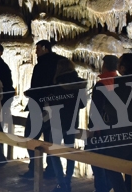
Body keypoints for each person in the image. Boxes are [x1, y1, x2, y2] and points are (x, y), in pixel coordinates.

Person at [90, 53, 132, 192]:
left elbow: (113, 110)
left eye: (119, 66)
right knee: (131, 166)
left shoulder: (119, 83)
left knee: (110, 163)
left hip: (121, 134)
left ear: (123, 68)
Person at [20, 40, 65, 179]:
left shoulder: (42, 65)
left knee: (30, 138)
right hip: (55, 108)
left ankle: (34, 169)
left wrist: (31, 93)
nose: (36, 52)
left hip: (39, 107)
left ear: (45, 48)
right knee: (50, 141)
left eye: (38, 49)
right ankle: (52, 170)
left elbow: (39, 87)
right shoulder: (60, 62)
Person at [47, 58, 86, 192]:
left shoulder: (57, 84)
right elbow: (83, 104)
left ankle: (60, 182)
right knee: (70, 151)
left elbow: (53, 103)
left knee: (54, 152)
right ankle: (68, 180)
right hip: (72, 122)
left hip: (58, 122)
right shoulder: (80, 84)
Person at [87, 55, 119, 192]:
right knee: (112, 164)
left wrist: (92, 128)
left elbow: (96, 109)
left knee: (98, 163)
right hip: (117, 130)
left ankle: (101, 188)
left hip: (101, 131)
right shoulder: (121, 82)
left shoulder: (102, 84)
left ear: (104, 66)